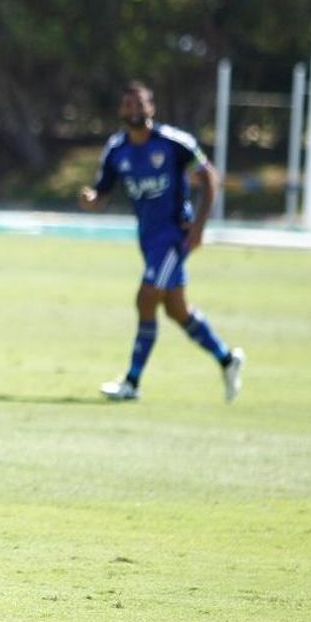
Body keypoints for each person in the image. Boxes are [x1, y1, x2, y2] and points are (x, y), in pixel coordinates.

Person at [79, 80, 245, 402]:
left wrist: (198, 227)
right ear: (120, 110)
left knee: (145, 298)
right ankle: (227, 359)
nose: (134, 110)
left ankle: (132, 383)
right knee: (176, 310)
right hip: (148, 239)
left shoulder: (173, 143)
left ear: (151, 108)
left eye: (140, 104)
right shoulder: (117, 149)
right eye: (129, 104)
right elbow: (103, 191)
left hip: (174, 236)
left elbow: (209, 176)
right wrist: (91, 198)